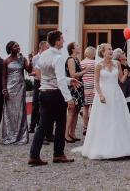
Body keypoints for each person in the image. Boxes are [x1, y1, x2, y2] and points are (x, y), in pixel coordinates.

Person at [76, 43, 130, 159]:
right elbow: (96, 83)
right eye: (108, 49)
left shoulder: (117, 63)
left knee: (118, 118)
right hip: (104, 94)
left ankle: (121, 147)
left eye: (111, 49)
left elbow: (121, 80)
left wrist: (125, 75)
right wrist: (100, 95)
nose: (111, 51)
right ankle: (103, 147)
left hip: (116, 93)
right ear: (103, 52)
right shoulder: (98, 66)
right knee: (104, 119)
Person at [29, 30, 78, 165]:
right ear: (57, 41)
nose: (63, 41)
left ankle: (34, 155)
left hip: (44, 92)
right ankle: (58, 154)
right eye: (62, 39)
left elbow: (39, 70)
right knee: (61, 124)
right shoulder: (58, 57)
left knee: (42, 125)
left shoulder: (43, 54)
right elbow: (60, 79)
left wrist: (69, 80)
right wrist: (69, 98)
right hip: (56, 94)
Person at [2, 41, 32, 145]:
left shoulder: (22, 59)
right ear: (10, 49)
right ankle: (9, 135)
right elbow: (4, 76)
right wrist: (4, 89)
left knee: (20, 111)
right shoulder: (6, 61)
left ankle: (21, 136)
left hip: (20, 87)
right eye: (15, 46)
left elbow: (29, 70)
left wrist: (31, 60)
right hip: (10, 88)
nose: (18, 47)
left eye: (18, 45)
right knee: (9, 112)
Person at [65, 42, 85, 141]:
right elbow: (73, 75)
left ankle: (72, 133)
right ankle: (66, 134)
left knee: (76, 111)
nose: (79, 46)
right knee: (71, 110)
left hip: (79, 87)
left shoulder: (77, 59)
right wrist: (84, 71)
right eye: (77, 46)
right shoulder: (71, 60)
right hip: (73, 87)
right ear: (72, 49)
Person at [29, 40, 49, 133]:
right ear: (42, 48)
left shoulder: (49, 57)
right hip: (38, 82)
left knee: (44, 105)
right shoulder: (35, 58)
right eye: (47, 47)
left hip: (46, 82)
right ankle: (32, 126)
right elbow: (33, 71)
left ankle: (41, 125)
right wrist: (35, 73)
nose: (49, 49)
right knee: (35, 104)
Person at [114, 48, 130, 113]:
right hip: (124, 89)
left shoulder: (125, 64)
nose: (125, 53)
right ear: (119, 57)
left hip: (128, 89)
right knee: (124, 110)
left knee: (129, 108)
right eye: (122, 53)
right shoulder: (119, 65)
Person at [80, 46, 97, 136]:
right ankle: (93, 127)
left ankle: (85, 127)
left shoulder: (81, 63)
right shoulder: (95, 63)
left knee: (85, 108)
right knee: (93, 108)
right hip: (93, 86)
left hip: (84, 86)